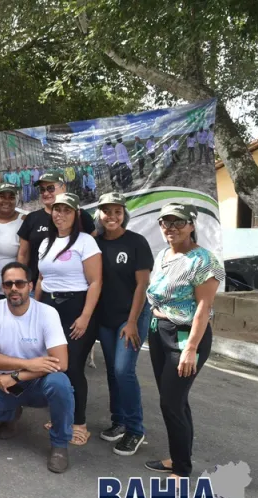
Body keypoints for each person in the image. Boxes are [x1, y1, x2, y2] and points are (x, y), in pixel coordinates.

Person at [0, 262, 74, 473]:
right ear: (2, 288)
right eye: (8, 284)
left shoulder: (47, 313)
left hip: (39, 381)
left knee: (60, 383)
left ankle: (59, 444)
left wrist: (18, 375)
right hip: (5, 382)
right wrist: (26, 365)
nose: (14, 288)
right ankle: (11, 414)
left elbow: (61, 362)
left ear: (30, 285)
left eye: (19, 283)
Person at [144, 203, 224, 480]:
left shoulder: (205, 260)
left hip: (185, 335)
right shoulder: (164, 254)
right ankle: (179, 457)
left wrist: (190, 348)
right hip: (159, 330)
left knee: (171, 402)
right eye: (165, 223)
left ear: (191, 225)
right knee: (175, 400)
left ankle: (181, 468)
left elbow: (204, 307)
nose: (171, 228)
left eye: (178, 223)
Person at [35, 193, 102, 446]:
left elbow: (96, 282)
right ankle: (63, 417)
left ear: (76, 215)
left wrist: (85, 316)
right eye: (56, 209)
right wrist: (36, 309)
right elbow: (41, 279)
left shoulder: (86, 242)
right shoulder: (45, 243)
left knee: (72, 366)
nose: (60, 214)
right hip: (49, 308)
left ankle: (80, 423)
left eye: (66, 210)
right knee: (53, 365)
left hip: (76, 307)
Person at [94, 193, 154, 456]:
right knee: (111, 371)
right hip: (106, 318)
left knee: (123, 370)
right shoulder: (94, 243)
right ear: (99, 215)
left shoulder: (136, 242)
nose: (112, 216)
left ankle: (135, 429)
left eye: (117, 211)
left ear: (123, 214)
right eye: (106, 211)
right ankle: (118, 420)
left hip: (131, 318)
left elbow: (142, 284)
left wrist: (131, 323)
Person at [17, 172, 96, 285]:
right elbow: (23, 254)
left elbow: (94, 248)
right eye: (42, 190)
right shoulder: (32, 218)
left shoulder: (80, 216)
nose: (46, 193)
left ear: (63, 187)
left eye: (50, 188)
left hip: (74, 288)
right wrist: (21, 280)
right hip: (36, 286)